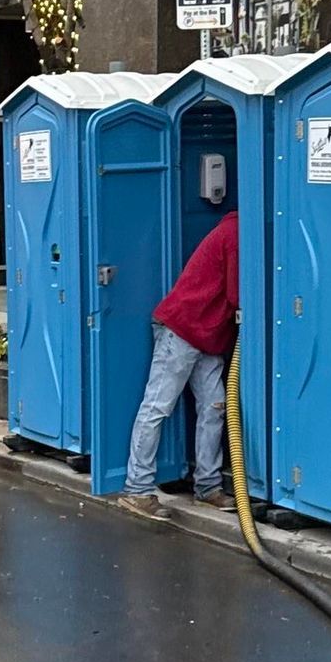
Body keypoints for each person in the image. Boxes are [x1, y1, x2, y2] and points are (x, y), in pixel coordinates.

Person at [118, 211, 239, 520]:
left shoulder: (231, 231)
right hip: (184, 330)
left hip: (207, 334)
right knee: (157, 407)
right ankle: (137, 489)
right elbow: (239, 295)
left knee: (215, 407)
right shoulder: (237, 235)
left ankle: (208, 486)